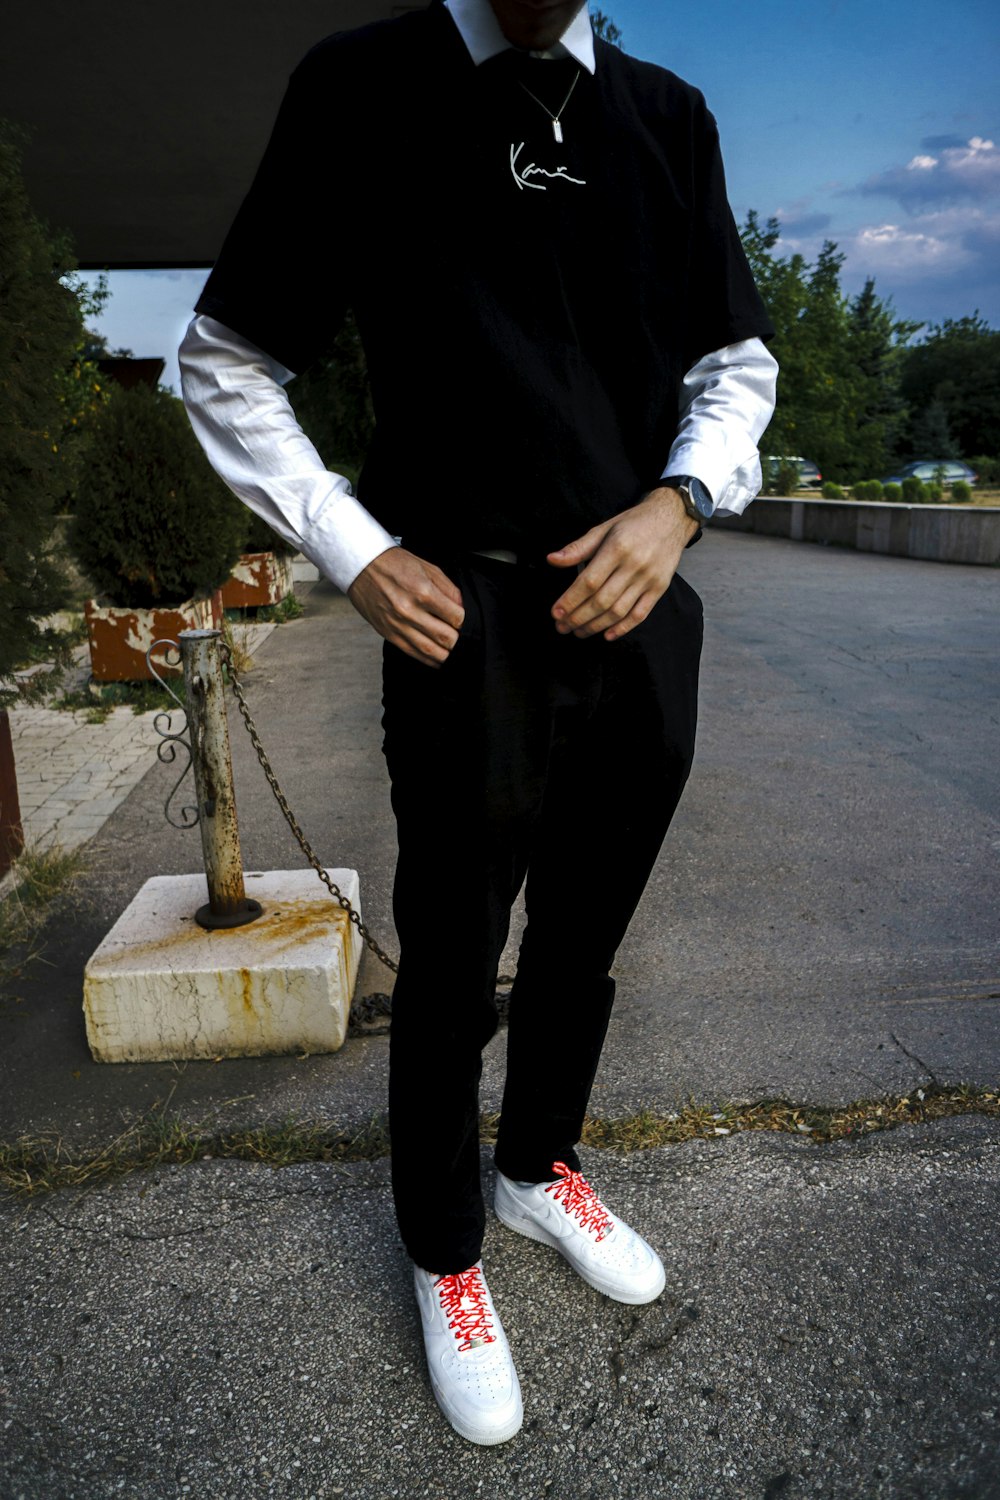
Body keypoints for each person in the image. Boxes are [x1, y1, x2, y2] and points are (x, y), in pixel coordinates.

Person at [180, 0, 777, 1447]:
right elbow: (226, 357)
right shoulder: (362, 84)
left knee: (584, 937)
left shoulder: (667, 116)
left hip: (640, 612)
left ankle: (538, 1166)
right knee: (454, 957)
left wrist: (678, 503)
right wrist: (357, 549)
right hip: (463, 619)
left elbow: (734, 367)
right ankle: (448, 1249)